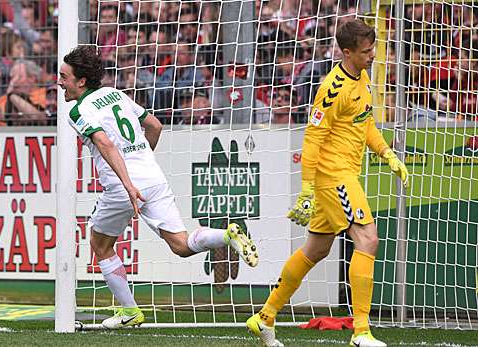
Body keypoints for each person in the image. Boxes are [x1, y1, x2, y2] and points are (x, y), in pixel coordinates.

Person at [58, 46, 259, 329]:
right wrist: (142, 160)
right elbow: (154, 126)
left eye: (64, 76)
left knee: (100, 245)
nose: (59, 82)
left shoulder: (78, 111)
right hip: (153, 177)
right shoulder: (117, 94)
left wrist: (128, 185)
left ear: (81, 81)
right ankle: (226, 235)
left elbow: (105, 143)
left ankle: (130, 311)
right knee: (181, 245)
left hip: (122, 187)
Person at [246, 19, 409, 347]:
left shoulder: (362, 77)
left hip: (345, 174)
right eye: (366, 51)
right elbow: (312, 138)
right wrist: (307, 188)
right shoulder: (332, 89)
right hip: (334, 177)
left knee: (316, 249)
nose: (373, 55)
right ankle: (361, 332)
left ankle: (264, 316)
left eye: (373, 48)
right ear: (346, 52)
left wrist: (388, 154)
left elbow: (366, 126)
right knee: (368, 239)